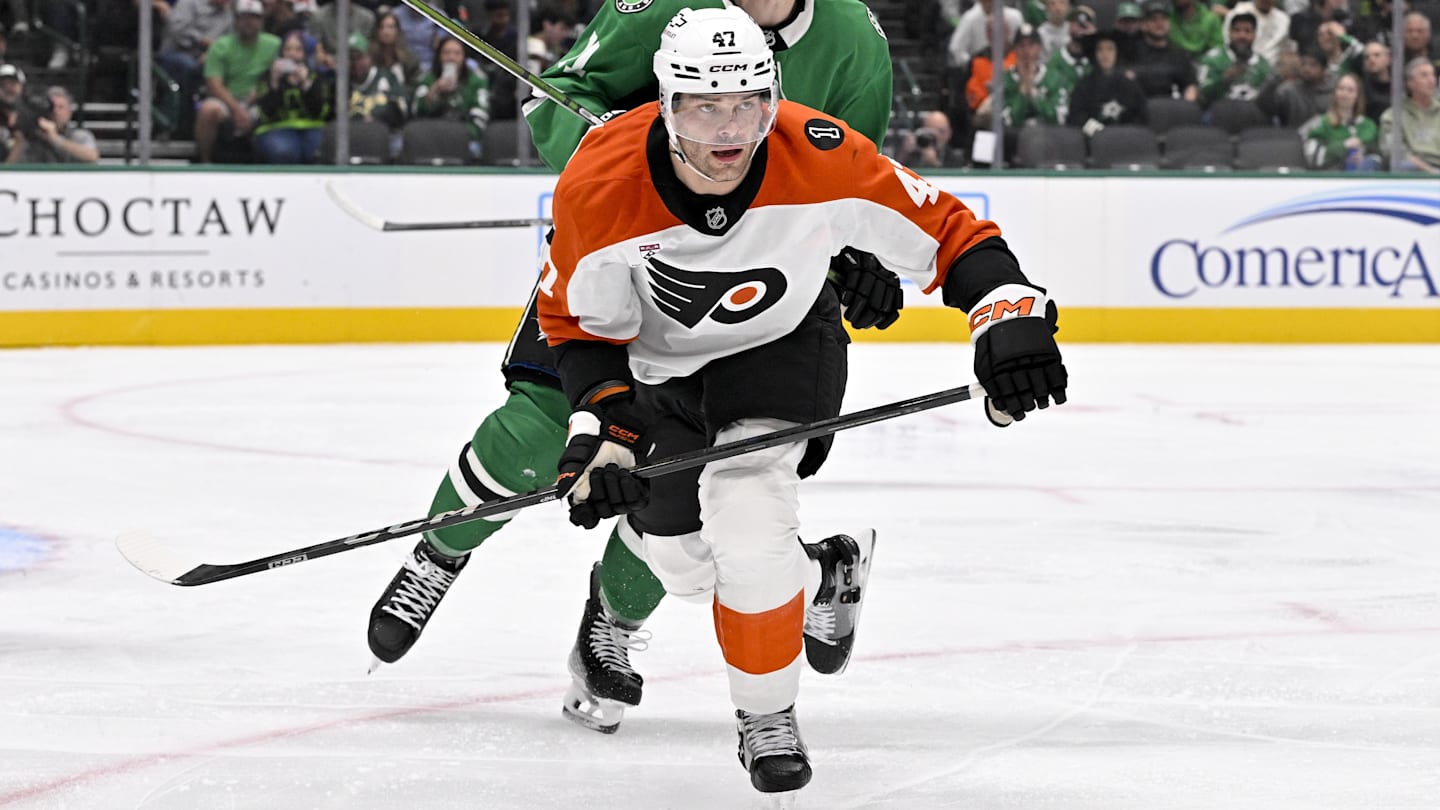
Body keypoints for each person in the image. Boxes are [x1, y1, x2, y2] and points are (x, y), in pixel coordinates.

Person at [537, 9, 1066, 795]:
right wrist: (605, 432)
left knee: (749, 520)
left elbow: (949, 234)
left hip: (780, 348)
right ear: (666, 103)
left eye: (748, 105)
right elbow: (579, 326)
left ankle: (767, 717)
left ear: (773, 98)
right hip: (663, 369)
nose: (730, 132)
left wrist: (1007, 314)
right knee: (684, 564)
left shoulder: (816, 153)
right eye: (704, 108)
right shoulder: (601, 179)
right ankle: (823, 575)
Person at [364, 0, 900, 738]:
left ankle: (610, 625)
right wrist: (613, 153)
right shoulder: (664, 8)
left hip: (746, 292)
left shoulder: (854, 40)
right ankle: (439, 553)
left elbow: (849, 177)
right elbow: (555, 97)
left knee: (676, 471)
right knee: (539, 425)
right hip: (629, 254)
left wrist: (854, 261)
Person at [195, 0, 281, 162]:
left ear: (262, 21)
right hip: (227, 100)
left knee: (275, 108)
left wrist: (261, 92)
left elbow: (278, 76)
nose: (249, 22)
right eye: (244, 17)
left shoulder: (274, 44)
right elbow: (214, 84)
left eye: (254, 17)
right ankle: (204, 161)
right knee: (207, 110)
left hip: (259, 101)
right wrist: (236, 109)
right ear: (236, 20)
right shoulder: (220, 46)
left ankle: (269, 161)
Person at [254, 30, 331, 163]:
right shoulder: (268, 76)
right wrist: (275, 83)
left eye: (298, 49)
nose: (292, 54)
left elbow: (321, 112)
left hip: (312, 127)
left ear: (305, 53)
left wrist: (306, 84)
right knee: (285, 151)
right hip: (276, 127)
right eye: (288, 49)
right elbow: (265, 114)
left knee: (317, 150)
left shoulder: (316, 77)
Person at [412, 35, 491, 149]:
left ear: (464, 57)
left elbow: (480, 117)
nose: (451, 57)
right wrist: (434, 91)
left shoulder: (477, 81)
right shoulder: (426, 79)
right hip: (431, 136)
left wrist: (459, 134)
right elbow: (415, 111)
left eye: (457, 53)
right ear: (439, 56)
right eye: (446, 53)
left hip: (464, 137)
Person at [1068, 30, 1149, 133]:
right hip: (1093, 139)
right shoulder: (1084, 86)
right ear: (1094, 54)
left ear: (1117, 53)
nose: (1105, 54)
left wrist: (1124, 132)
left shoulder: (1130, 85)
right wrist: (1099, 132)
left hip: (1126, 138)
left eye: (1110, 49)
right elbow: (1076, 117)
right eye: (1100, 49)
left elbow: (1142, 116)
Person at [1301, 71, 1379, 169]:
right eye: (1341, 88)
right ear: (1335, 93)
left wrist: (1362, 155)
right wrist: (1344, 146)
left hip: (1362, 175)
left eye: (1350, 90)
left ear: (1358, 96)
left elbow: (1377, 155)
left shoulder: (1369, 126)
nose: (1344, 93)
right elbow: (1312, 156)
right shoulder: (1321, 123)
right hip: (1330, 174)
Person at [1379, 58, 1440, 173]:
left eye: (1433, 75)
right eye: (1424, 75)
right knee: (1404, 165)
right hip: (1414, 173)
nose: (1432, 80)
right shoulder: (1392, 116)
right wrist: (1430, 171)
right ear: (1410, 83)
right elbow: (1395, 152)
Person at [1129, 0, 1199, 100]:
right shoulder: (1132, 52)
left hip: (1173, 106)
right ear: (1143, 25)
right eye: (1154, 19)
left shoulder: (1180, 54)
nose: (1159, 23)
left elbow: (1191, 86)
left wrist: (1188, 103)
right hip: (1141, 105)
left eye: (1164, 18)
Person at [1198, 11, 1272, 105]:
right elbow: (1202, 93)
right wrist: (1224, 79)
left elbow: (1268, 98)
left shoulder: (1262, 64)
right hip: (1220, 109)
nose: (1242, 36)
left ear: (1254, 35)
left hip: (1252, 111)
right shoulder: (1213, 59)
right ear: (1229, 33)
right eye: (1237, 30)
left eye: (1247, 31)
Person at [370, 9, 422, 87]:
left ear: (397, 31)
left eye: (391, 27)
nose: (386, 32)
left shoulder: (410, 59)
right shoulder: (370, 57)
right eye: (381, 27)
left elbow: (415, 85)